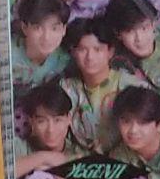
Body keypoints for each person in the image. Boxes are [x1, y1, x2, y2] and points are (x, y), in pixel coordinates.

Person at [59, 17, 146, 156]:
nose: (90, 57)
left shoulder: (132, 86)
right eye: (82, 49)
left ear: (110, 51)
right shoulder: (66, 89)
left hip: (127, 158)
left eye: (97, 49)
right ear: (74, 52)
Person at [106, 0, 160, 104]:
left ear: (153, 24)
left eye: (144, 28)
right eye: (130, 31)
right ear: (118, 34)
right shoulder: (120, 64)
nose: (139, 38)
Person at [10, 0, 70, 91]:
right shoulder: (7, 54)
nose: (46, 37)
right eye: (38, 28)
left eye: (54, 28)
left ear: (64, 29)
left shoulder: (63, 60)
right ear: (24, 27)